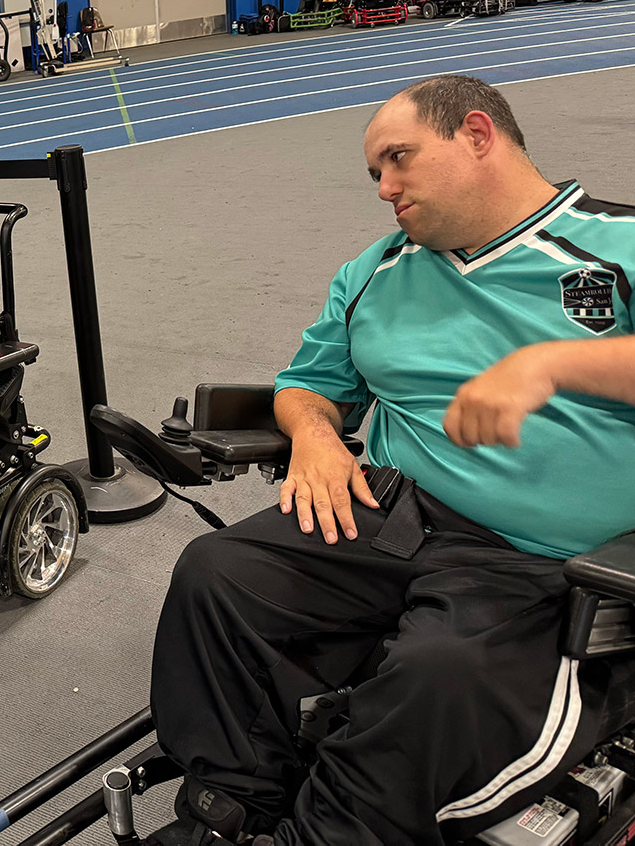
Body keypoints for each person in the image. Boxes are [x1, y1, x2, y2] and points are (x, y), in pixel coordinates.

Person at [147, 76, 635, 846]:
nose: (384, 188)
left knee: (437, 675)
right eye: (375, 172)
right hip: (393, 514)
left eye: (397, 159)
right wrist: (313, 435)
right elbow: (308, 383)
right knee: (216, 574)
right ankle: (233, 801)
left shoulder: (616, 243)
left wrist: (555, 366)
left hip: (540, 563)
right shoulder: (374, 271)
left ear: (477, 134)